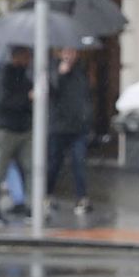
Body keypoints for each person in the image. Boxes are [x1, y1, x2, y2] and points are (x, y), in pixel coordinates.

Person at [0, 46, 34, 225]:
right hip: (6, 129)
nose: (29, 60)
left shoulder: (25, 75)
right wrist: (27, 98)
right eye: (26, 56)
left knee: (30, 167)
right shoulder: (4, 75)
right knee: (0, 169)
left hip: (24, 129)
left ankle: (30, 206)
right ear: (17, 56)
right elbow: (4, 101)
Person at [47, 47, 93, 214]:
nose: (69, 56)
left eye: (73, 52)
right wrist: (59, 74)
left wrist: (87, 117)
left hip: (78, 127)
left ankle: (82, 198)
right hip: (58, 126)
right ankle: (47, 193)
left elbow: (85, 96)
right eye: (66, 52)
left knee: (79, 162)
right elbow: (51, 92)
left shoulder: (81, 71)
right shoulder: (53, 69)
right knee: (54, 163)